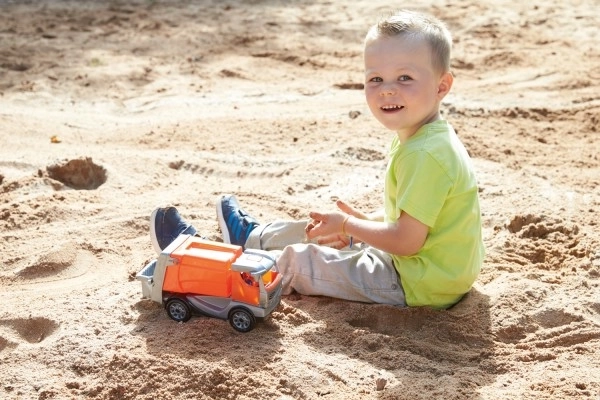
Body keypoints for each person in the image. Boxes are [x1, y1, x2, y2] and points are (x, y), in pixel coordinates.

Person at [150, 9, 484, 309]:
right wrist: (359, 227)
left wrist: (354, 227)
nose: (387, 90)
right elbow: (422, 218)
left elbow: (408, 241)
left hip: (417, 282)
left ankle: (201, 267)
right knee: (324, 231)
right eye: (376, 79)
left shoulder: (424, 153)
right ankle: (255, 239)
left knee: (301, 261)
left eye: (405, 78)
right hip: (433, 270)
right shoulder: (426, 137)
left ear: (442, 87)